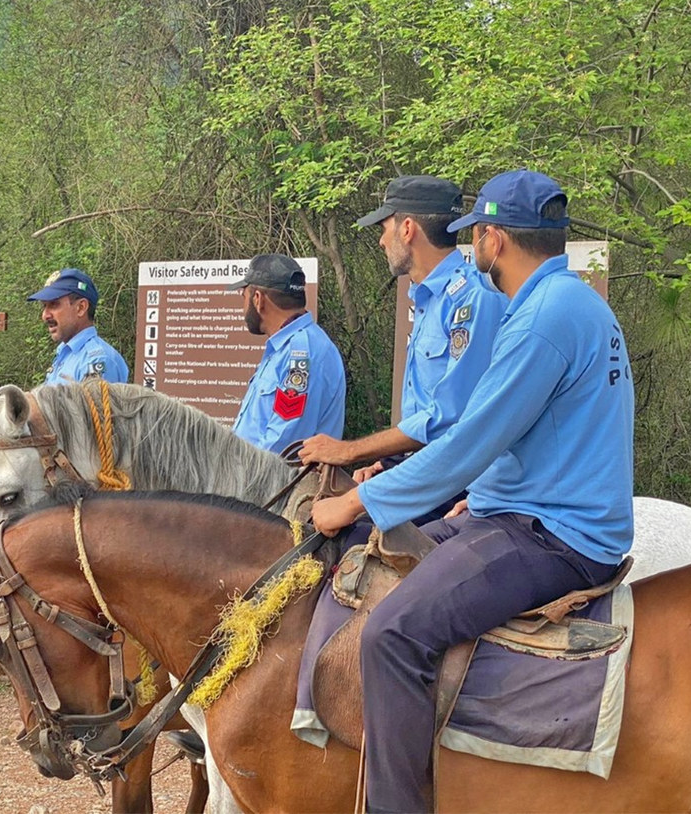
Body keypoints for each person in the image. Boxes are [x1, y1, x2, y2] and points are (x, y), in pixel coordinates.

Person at [311, 169, 634, 814]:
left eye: (475, 236)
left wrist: (352, 502)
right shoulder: (568, 304)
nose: (472, 248)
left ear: (493, 239)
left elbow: (464, 444)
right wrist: (478, 497)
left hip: (556, 537)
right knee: (381, 567)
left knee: (392, 635)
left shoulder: (543, 318)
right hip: (526, 512)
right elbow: (523, 439)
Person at [299, 175, 507, 522]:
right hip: (428, 475)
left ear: (407, 228)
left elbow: (448, 421)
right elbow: (425, 417)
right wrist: (389, 464)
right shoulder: (428, 299)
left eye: (384, 227)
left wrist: (348, 452)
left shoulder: (472, 301)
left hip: (457, 489)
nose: (381, 241)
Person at [229, 253, 346, 455]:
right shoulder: (284, 348)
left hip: (272, 484)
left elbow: (280, 446)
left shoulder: (303, 354)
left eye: (244, 296)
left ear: (258, 300)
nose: (243, 306)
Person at [27, 268, 128, 386]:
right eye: (44, 306)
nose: (45, 315)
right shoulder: (66, 353)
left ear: (81, 308)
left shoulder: (97, 360)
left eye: (54, 304)